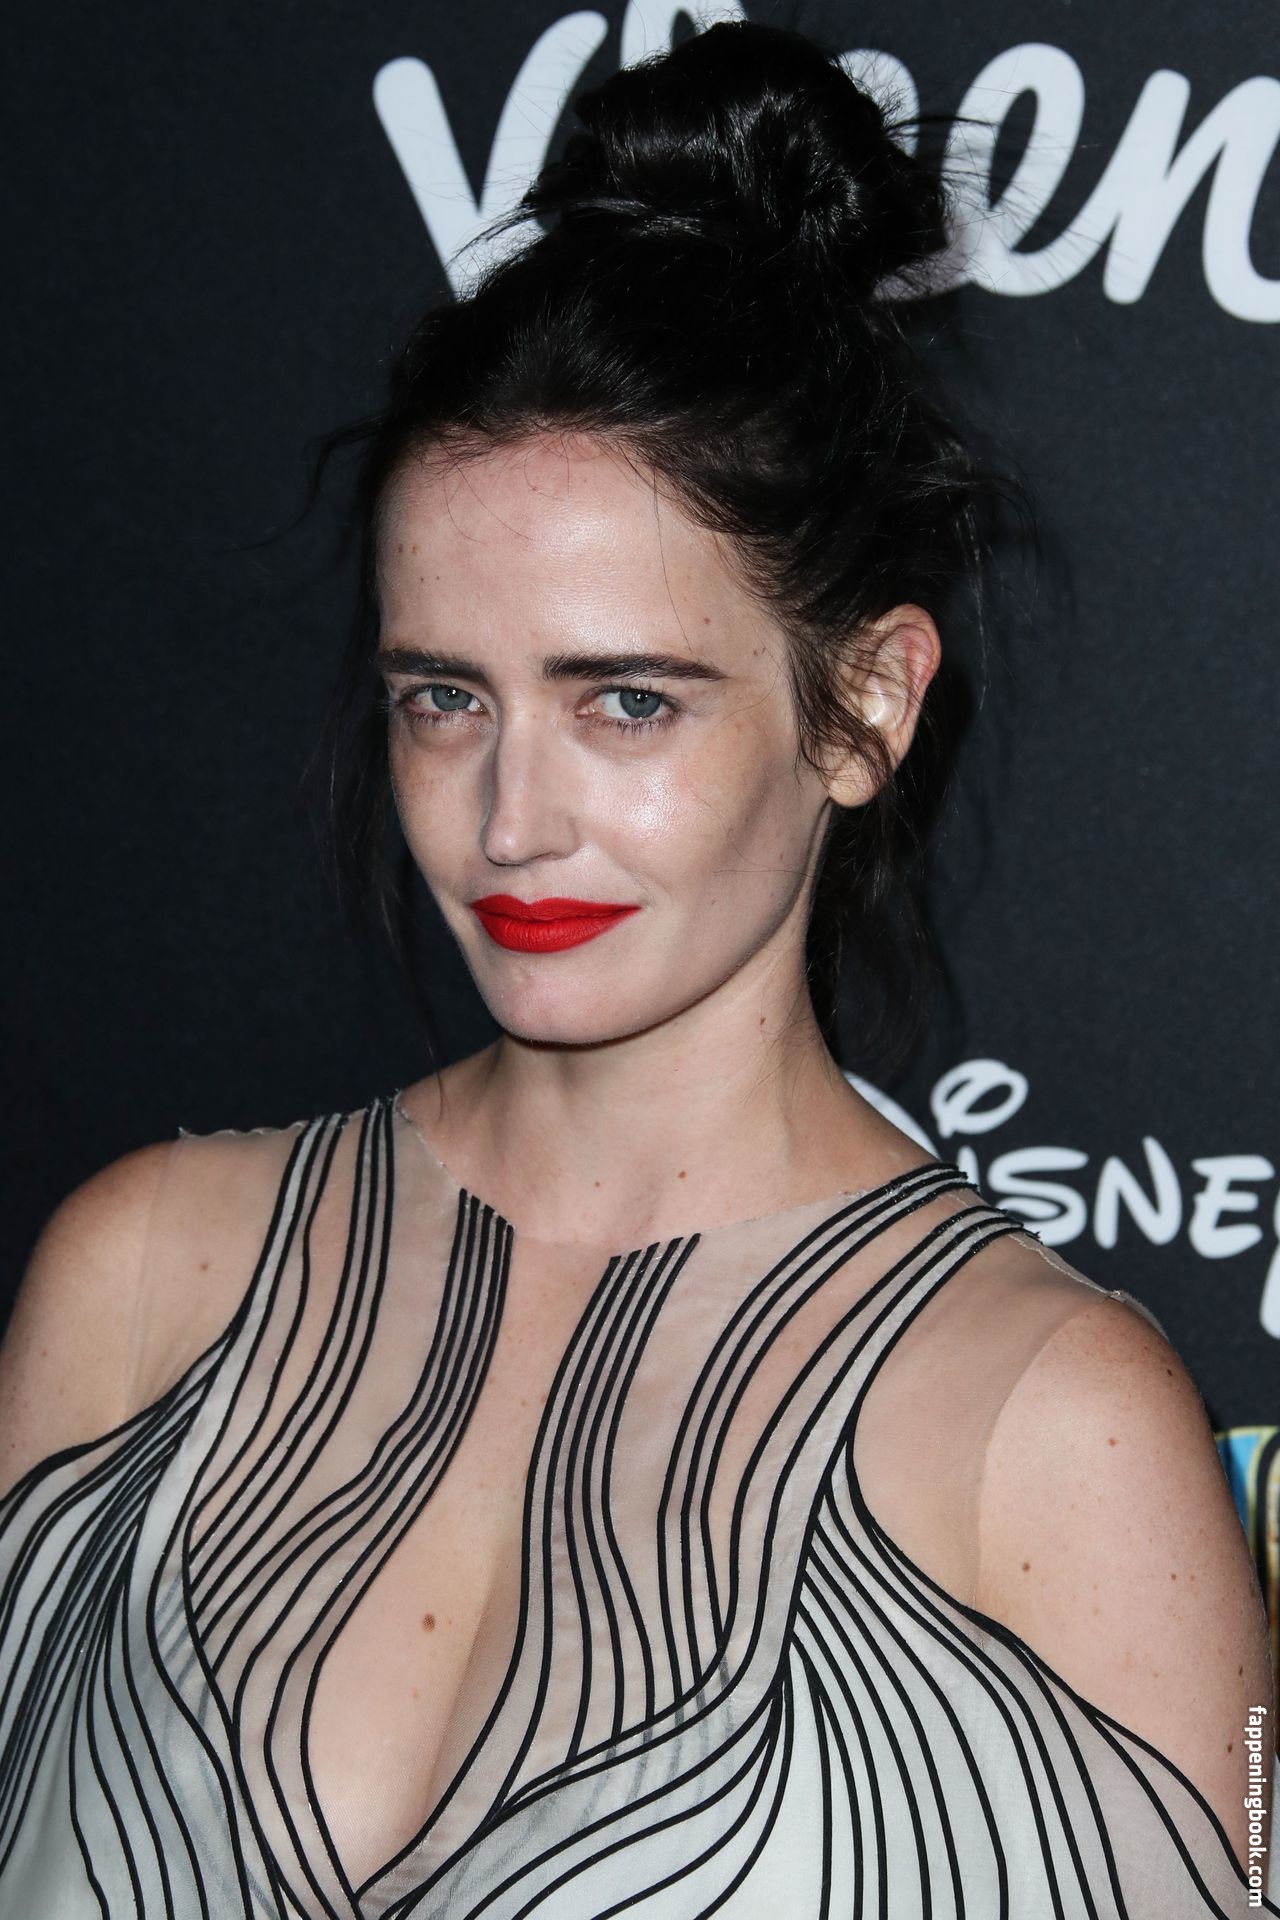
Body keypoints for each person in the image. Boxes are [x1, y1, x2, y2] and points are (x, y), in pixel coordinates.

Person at [0, 20, 1275, 1918]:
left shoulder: (1049, 1432)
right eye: (445, 698)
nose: (508, 821)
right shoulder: (136, 1286)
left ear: (866, 704)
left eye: (626, 702)